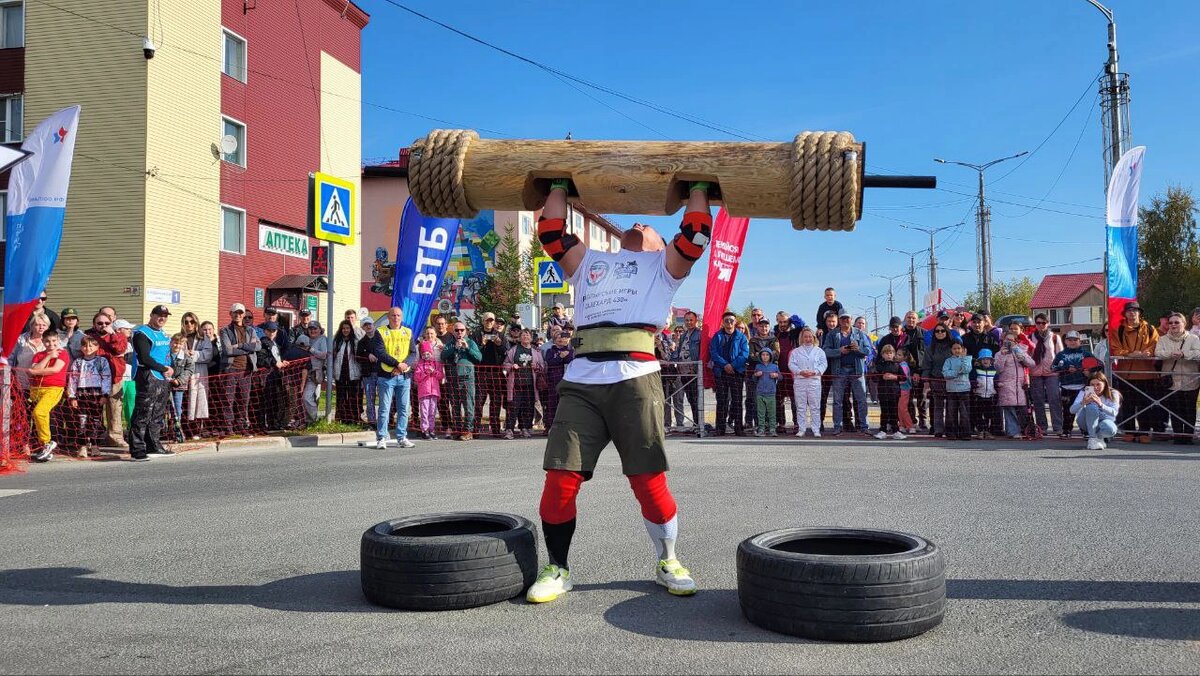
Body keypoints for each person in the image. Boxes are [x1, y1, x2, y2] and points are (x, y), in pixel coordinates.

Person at [523, 179, 710, 605]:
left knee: (647, 479)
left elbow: (697, 230)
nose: (640, 223)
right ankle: (558, 568)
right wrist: (558, 183)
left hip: (635, 380)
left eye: (651, 227)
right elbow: (550, 230)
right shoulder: (591, 261)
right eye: (636, 222)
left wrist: (697, 183)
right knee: (560, 478)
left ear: (663, 244)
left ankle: (668, 559)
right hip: (582, 381)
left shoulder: (665, 267)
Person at [1109, 301, 1161, 443]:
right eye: (1129, 311)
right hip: (1125, 374)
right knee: (1127, 405)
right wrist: (1129, 354)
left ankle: (1144, 431)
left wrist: (1148, 352)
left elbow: (1155, 344)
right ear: (1125, 314)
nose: (1132, 313)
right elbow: (1115, 348)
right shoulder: (1118, 329)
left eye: (1135, 310)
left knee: (1146, 404)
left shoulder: (1150, 329)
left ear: (1140, 313)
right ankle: (1129, 431)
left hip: (1146, 373)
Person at [129, 305, 176, 461]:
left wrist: (171, 368)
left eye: (165, 316)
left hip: (162, 378)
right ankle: (137, 449)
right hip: (147, 376)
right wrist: (163, 368)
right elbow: (144, 358)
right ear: (152, 315)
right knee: (143, 413)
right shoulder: (142, 333)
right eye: (159, 315)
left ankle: (153, 446)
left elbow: (167, 354)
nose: (162, 318)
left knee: (157, 414)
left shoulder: (163, 334)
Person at [370, 306, 417, 450]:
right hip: (386, 376)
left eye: (398, 315)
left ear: (401, 317)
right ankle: (381, 438)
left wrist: (404, 365)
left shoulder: (408, 332)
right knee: (384, 408)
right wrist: (397, 364)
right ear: (388, 317)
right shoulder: (380, 332)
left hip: (404, 376)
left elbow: (413, 353)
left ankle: (401, 437)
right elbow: (380, 352)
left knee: (404, 408)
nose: (396, 318)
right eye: (393, 315)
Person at [84, 312, 130, 449]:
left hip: (114, 377)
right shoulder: (89, 337)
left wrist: (113, 335)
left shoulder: (119, 335)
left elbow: (120, 349)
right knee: (94, 409)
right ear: (94, 324)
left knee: (114, 408)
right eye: (100, 323)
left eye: (106, 323)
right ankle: (95, 438)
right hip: (95, 379)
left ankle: (115, 437)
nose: (103, 325)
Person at [1153, 312, 1200, 444]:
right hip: (1171, 380)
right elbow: (1158, 353)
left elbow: (1198, 353)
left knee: (1189, 409)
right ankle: (1178, 435)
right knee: (1175, 409)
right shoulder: (1163, 339)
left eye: (1176, 322)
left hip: (1190, 379)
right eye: (1171, 323)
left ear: (1184, 324)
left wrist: (1184, 354)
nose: (1173, 325)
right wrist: (1171, 354)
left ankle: (1188, 436)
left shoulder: (1194, 338)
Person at [823, 314, 871, 436]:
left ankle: (864, 426)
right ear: (839, 320)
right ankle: (837, 427)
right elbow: (825, 351)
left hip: (857, 370)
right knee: (837, 401)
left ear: (851, 320)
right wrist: (839, 351)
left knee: (861, 400)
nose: (845, 321)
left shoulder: (860, 333)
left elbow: (868, 350)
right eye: (842, 318)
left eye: (847, 318)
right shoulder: (832, 334)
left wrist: (858, 349)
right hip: (839, 370)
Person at [65, 334, 112, 457]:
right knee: (82, 421)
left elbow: (107, 378)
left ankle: (95, 445)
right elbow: (73, 379)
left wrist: (105, 394)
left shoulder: (102, 361)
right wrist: (72, 396)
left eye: (91, 346)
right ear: (81, 348)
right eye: (85, 346)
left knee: (95, 421)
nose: (88, 348)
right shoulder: (78, 362)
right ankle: (83, 445)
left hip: (96, 395)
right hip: (81, 395)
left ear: (97, 347)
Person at [27, 330, 70, 462]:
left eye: (54, 341)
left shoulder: (63, 353)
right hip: (36, 389)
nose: (51, 344)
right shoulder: (39, 355)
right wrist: (49, 357)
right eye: (47, 341)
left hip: (53, 388)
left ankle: (47, 442)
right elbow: (34, 368)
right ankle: (44, 448)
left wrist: (35, 372)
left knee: (39, 412)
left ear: (58, 340)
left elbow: (55, 369)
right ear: (43, 341)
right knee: (38, 416)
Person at [219, 303, 260, 435]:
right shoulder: (225, 330)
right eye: (235, 312)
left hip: (246, 370)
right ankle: (228, 427)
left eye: (240, 313)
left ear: (243, 315)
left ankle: (242, 426)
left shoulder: (251, 330)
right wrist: (248, 349)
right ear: (230, 314)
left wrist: (241, 345)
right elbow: (228, 350)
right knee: (228, 400)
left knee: (244, 400)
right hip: (231, 369)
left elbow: (258, 346)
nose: (238, 315)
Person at [710, 311, 749, 436]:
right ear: (723, 322)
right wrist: (725, 365)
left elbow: (744, 354)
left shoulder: (741, 337)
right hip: (721, 372)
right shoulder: (717, 336)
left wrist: (733, 365)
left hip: (736, 372)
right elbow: (714, 353)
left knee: (737, 401)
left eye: (731, 320)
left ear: (735, 322)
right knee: (722, 401)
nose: (729, 323)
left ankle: (738, 428)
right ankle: (720, 429)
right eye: (726, 320)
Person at [442, 321, 482, 440]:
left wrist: (467, 348)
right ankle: (457, 429)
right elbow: (443, 356)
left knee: (468, 405)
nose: (459, 332)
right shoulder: (450, 343)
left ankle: (468, 430)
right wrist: (454, 348)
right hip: (453, 378)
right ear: (453, 332)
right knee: (455, 406)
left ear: (465, 331)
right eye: (457, 330)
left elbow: (479, 358)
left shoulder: (471, 342)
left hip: (467, 378)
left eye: (462, 330)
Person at [1051, 331, 1094, 439]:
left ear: (1080, 341)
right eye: (1070, 340)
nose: (1072, 342)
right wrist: (1065, 368)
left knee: (1085, 410)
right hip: (1066, 386)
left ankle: (1086, 431)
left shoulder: (1087, 353)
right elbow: (1052, 368)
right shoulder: (1060, 354)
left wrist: (1088, 371)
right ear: (1065, 341)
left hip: (1085, 387)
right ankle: (1066, 431)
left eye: (1075, 340)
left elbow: (1097, 366)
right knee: (1067, 410)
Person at [1027, 314, 1065, 437]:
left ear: (1048, 323)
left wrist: (1057, 367)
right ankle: (1042, 427)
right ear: (1035, 324)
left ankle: (1058, 427)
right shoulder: (1030, 337)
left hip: (1052, 373)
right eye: (1038, 323)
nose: (1041, 325)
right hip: (1035, 372)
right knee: (1038, 400)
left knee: (1054, 399)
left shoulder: (1054, 337)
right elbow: (1026, 354)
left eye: (1043, 323)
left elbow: (1060, 355)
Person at [503, 329, 543, 439]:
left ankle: (525, 428)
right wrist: (512, 366)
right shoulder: (514, 349)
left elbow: (543, 366)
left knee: (528, 407)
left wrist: (537, 367)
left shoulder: (536, 351)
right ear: (520, 338)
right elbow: (505, 363)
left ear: (531, 338)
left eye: (527, 335)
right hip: (516, 383)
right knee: (513, 407)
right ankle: (509, 429)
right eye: (523, 335)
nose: (525, 337)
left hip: (530, 384)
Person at [995, 331, 1035, 438]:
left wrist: (1020, 353)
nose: (1009, 342)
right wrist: (1003, 355)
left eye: (1012, 340)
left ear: (1016, 342)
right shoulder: (999, 354)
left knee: (1022, 409)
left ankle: (1024, 430)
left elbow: (1032, 364)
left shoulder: (1020, 351)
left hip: (1020, 386)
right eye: (1007, 340)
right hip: (1007, 386)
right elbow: (998, 369)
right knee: (1009, 409)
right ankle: (1012, 432)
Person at [788, 326, 827, 437]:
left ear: (814, 338)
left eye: (810, 336)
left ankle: (816, 429)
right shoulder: (796, 351)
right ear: (802, 338)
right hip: (800, 381)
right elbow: (791, 364)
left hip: (814, 381)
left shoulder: (819, 351)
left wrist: (815, 372)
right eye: (805, 337)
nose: (808, 339)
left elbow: (824, 364)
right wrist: (800, 372)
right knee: (801, 406)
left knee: (815, 406)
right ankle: (801, 429)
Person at [473, 311, 507, 436]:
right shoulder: (476, 334)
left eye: (491, 320)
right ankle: (475, 429)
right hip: (480, 372)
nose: (489, 322)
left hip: (496, 372)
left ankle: (496, 429)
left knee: (496, 402)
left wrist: (499, 344)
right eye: (487, 320)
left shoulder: (500, 334)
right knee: (478, 402)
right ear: (483, 321)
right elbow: (473, 352)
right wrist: (481, 344)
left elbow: (505, 352)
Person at [670, 311, 703, 434]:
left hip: (693, 371)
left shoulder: (699, 334)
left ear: (696, 321)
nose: (689, 322)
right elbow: (678, 351)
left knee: (696, 399)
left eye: (691, 320)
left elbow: (702, 352)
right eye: (687, 320)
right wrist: (673, 362)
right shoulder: (683, 335)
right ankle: (696, 424)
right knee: (690, 399)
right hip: (683, 372)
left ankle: (699, 424)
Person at [1070, 373, 1121, 450]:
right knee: (1091, 407)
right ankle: (1092, 439)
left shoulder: (1113, 393)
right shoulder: (1084, 392)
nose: (1095, 387)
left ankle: (1099, 437)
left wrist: (1101, 404)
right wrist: (1082, 402)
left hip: (1104, 421)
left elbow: (1114, 413)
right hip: (1085, 421)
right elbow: (1072, 410)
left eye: (1098, 384)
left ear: (1105, 384)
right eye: (1092, 385)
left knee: (1111, 430)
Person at [923, 324, 957, 438]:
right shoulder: (930, 348)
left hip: (951, 379)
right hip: (936, 379)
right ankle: (938, 429)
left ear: (947, 332)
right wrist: (926, 381)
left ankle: (950, 429)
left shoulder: (953, 346)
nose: (940, 333)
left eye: (943, 331)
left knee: (951, 405)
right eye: (937, 331)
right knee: (938, 406)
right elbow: (926, 366)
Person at [255, 321, 291, 430]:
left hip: (275, 375)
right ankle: (263, 425)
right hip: (266, 376)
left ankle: (274, 423)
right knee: (266, 401)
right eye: (269, 330)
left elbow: (276, 358)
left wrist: (281, 362)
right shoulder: (262, 342)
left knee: (275, 400)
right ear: (265, 331)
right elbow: (261, 359)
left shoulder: (274, 343)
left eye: (273, 330)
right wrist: (274, 362)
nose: (271, 333)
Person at [773, 311, 802, 433]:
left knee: (795, 400)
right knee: (778, 400)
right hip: (779, 371)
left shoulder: (795, 333)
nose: (783, 324)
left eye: (785, 321)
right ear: (777, 321)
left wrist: (793, 319)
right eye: (780, 322)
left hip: (793, 373)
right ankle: (781, 424)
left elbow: (801, 324)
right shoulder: (775, 334)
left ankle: (797, 423)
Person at [331, 320, 363, 425]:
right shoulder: (336, 341)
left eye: (347, 328)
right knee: (341, 396)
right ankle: (341, 418)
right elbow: (332, 357)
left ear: (351, 329)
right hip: (340, 372)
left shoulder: (356, 341)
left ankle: (354, 418)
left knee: (353, 396)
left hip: (353, 373)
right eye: (343, 328)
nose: (345, 330)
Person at [901, 311, 928, 431]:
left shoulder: (924, 333)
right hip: (905, 370)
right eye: (909, 317)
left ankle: (923, 420)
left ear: (917, 320)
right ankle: (912, 421)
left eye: (913, 318)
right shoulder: (901, 332)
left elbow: (925, 353)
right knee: (908, 397)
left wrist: (919, 370)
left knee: (921, 396)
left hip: (921, 369)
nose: (911, 320)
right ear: (905, 319)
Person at [413, 339, 445, 441]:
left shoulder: (436, 364)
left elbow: (441, 376)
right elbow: (416, 378)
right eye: (424, 354)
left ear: (431, 353)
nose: (426, 356)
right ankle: (424, 430)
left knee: (432, 411)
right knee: (424, 411)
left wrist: (434, 371)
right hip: (424, 392)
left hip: (434, 391)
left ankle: (432, 430)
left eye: (428, 354)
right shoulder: (419, 365)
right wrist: (425, 373)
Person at [941, 342, 973, 440]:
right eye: (954, 348)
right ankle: (951, 433)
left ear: (963, 349)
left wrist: (963, 359)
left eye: (959, 348)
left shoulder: (968, 359)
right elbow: (945, 373)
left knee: (964, 413)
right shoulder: (948, 361)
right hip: (951, 390)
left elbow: (966, 369)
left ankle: (965, 434)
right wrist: (956, 372)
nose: (957, 350)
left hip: (964, 390)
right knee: (951, 412)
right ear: (951, 350)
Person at [544, 330, 574, 431]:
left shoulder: (570, 350)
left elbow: (570, 361)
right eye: (558, 337)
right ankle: (550, 426)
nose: (561, 339)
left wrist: (566, 351)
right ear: (554, 339)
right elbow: (550, 362)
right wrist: (560, 357)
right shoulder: (550, 351)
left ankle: (566, 426)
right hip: (553, 381)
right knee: (552, 404)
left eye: (563, 337)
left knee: (566, 404)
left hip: (567, 381)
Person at [874, 344, 906, 440]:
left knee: (894, 411)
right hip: (883, 391)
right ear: (882, 354)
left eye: (890, 353)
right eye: (886, 353)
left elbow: (904, 377)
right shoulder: (879, 365)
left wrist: (895, 377)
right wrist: (881, 376)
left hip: (894, 392)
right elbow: (874, 377)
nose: (888, 355)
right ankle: (882, 430)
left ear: (894, 354)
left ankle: (896, 430)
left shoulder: (897, 365)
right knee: (884, 411)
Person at [302, 321, 330, 423]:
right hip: (303, 372)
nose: (313, 331)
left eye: (315, 328)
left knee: (307, 397)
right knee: (310, 397)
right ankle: (308, 420)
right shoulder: (306, 339)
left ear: (320, 329)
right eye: (310, 329)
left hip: (315, 373)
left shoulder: (322, 339)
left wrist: (311, 349)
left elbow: (324, 355)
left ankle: (314, 419)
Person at [970, 349, 1000, 439]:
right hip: (979, 395)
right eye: (983, 359)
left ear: (991, 360)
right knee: (978, 414)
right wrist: (974, 385)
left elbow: (996, 381)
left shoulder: (994, 370)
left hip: (991, 396)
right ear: (980, 361)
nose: (985, 361)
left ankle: (987, 431)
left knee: (989, 415)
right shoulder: (976, 370)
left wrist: (998, 385)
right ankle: (980, 431)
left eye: (987, 359)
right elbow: (972, 379)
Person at [751, 348, 780, 437]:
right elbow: (753, 378)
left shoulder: (774, 366)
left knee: (772, 413)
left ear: (770, 356)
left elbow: (780, 377)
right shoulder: (758, 366)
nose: (765, 357)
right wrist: (756, 374)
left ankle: (772, 429)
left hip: (771, 393)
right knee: (761, 413)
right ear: (760, 356)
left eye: (767, 355)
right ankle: (761, 429)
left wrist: (776, 375)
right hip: (760, 393)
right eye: (763, 355)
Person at [357, 317, 380, 427]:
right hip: (368, 374)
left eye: (370, 324)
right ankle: (372, 421)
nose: (368, 326)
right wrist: (367, 355)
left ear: (373, 325)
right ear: (363, 327)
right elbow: (358, 356)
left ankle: (385, 420)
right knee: (370, 399)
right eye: (365, 325)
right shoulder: (361, 342)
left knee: (384, 398)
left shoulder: (381, 338)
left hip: (381, 373)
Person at [895, 347, 916, 435]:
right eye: (897, 354)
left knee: (903, 408)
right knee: (900, 408)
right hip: (901, 389)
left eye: (899, 355)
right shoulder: (900, 364)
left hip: (904, 389)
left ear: (905, 357)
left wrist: (895, 378)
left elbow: (904, 378)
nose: (896, 356)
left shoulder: (903, 365)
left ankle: (910, 426)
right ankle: (902, 425)